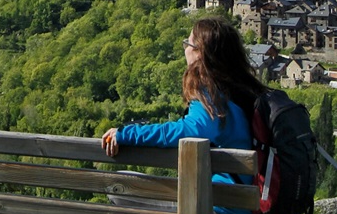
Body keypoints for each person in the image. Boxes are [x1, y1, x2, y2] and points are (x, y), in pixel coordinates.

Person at [101, 15, 260, 198]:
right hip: (240, 201)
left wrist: (126, 134)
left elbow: (188, 131)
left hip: (217, 208)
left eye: (188, 44)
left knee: (119, 191)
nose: (185, 49)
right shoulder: (242, 88)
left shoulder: (212, 93)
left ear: (199, 52)